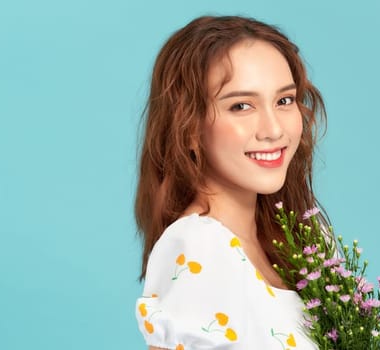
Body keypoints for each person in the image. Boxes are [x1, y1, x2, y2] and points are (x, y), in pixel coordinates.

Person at [133, 15, 328, 350]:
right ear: (189, 127)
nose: (273, 130)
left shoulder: (303, 237)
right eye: (241, 106)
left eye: (284, 100)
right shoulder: (196, 247)